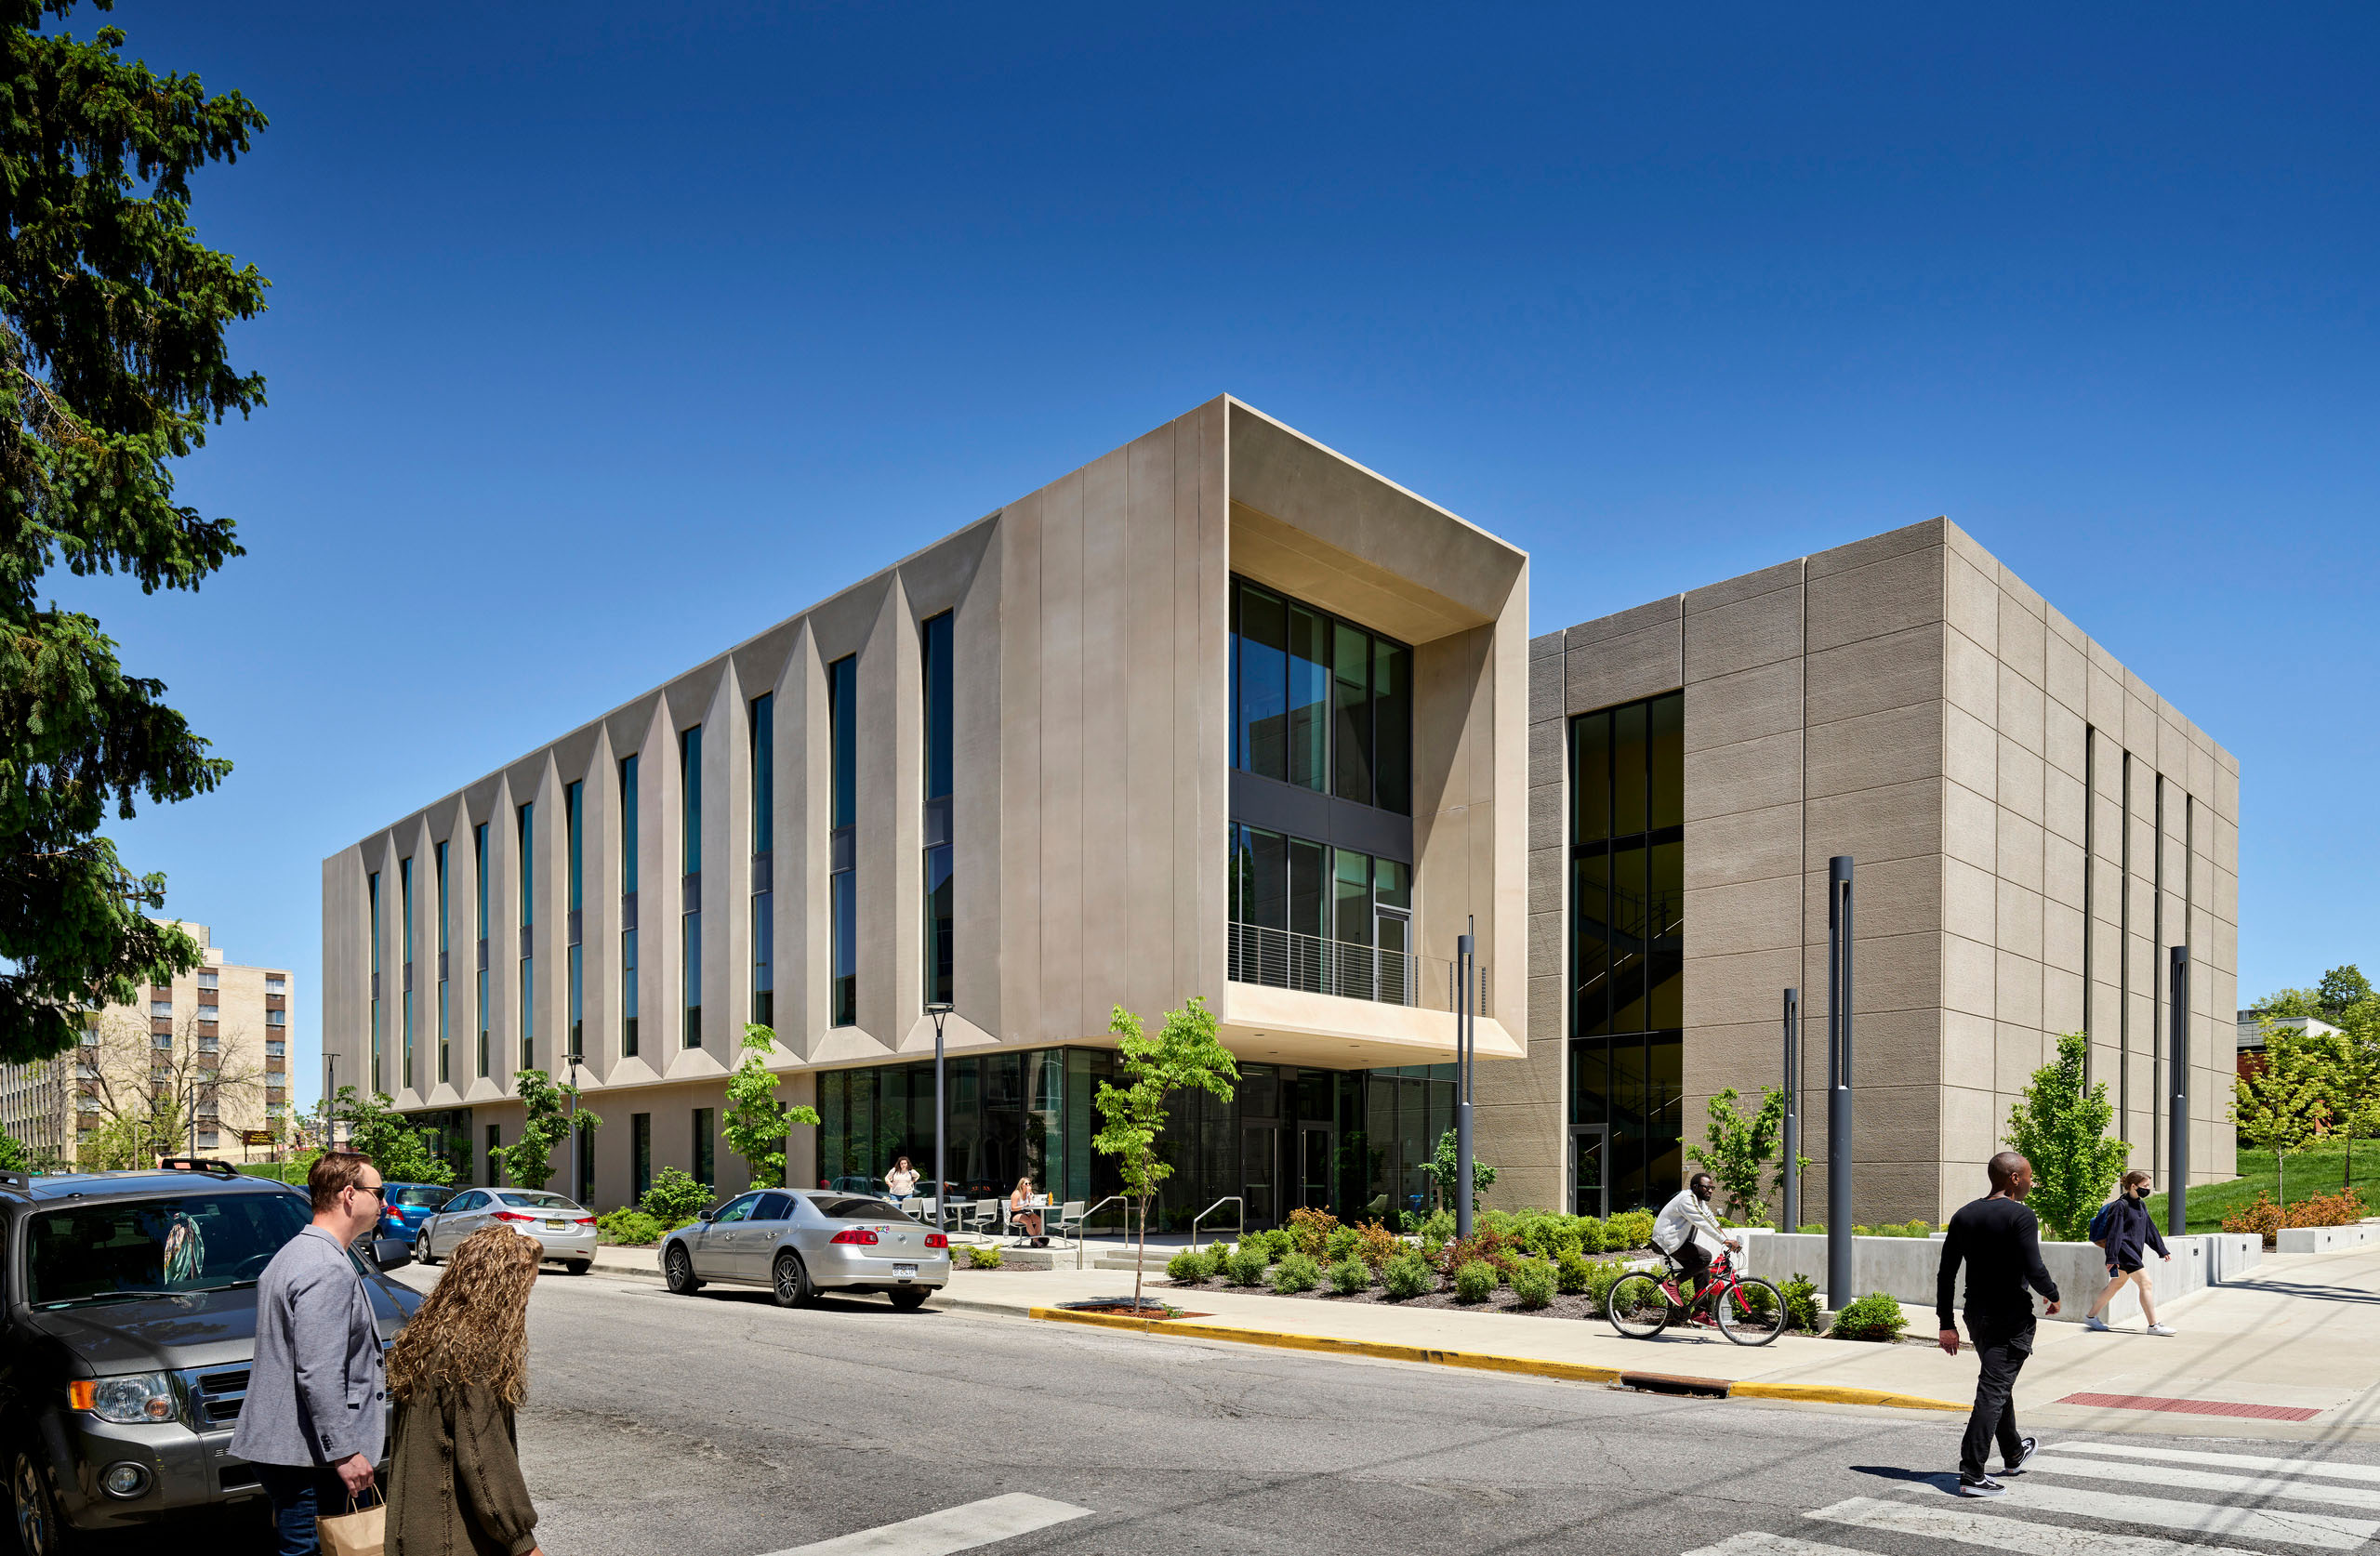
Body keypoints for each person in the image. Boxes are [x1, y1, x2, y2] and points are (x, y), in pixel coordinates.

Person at [231, 1152, 391, 1556]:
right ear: (350, 1195)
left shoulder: (294, 1253)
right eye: (379, 1192)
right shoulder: (325, 1267)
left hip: (289, 1448)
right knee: (309, 1549)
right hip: (308, 1457)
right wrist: (345, 1451)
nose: (384, 1203)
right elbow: (318, 1373)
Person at [386, 1225, 547, 1556]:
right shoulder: (472, 1351)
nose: (526, 1299)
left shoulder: (426, 1333)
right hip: (450, 1538)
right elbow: (483, 1457)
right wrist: (523, 1543)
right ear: (502, 1288)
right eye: (524, 1288)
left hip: (409, 1531)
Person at [1936, 1151, 2060, 1498]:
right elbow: (2034, 1267)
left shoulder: (1964, 1215)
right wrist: (2053, 1294)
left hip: (1976, 1315)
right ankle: (1972, 1473)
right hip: (2010, 1318)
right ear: (2014, 1178)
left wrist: (1946, 1322)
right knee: (1993, 1389)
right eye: (2030, 1176)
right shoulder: (2020, 1215)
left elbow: (1946, 1274)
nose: (2032, 1182)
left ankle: (2014, 1452)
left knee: (1996, 1380)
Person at [2082, 1168, 2175, 1335]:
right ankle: (2154, 1325)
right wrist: (2111, 1257)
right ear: (2133, 1186)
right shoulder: (2120, 1205)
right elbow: (2114, 1233)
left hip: (2134, 1250)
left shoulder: (2140, 1204)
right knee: (2145, 1282)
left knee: (2115, 1284)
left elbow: (2149, 1229)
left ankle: (2090, 1317)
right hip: (2124, 1251)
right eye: (2145, 1185)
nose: (2148, 1188)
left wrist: (2161, 1250)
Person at [1651, 1171, 1739, 1316]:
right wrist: (1724, 1241)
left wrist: (1728, 1239)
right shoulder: (1686, 1199)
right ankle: (1672, 1285)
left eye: (1712, 1188)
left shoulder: (1699, 1202)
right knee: (1705, 1257)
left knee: (1703, 1270)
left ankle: (1700, 1313)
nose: (1710, 1190)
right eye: (1706, 1187)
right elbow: (1702, 1222)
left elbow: (1711, 1220)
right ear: (1695, 1186)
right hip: (1666, 1241)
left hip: (1677, 1242)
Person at [1009, 1175, 1045, 1246]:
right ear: (1021, 1185)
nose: (1028, 1185)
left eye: (1029, 1183)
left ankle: (1035, 1240)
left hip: (1025, 1212)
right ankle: (1036, 1241)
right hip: (1015, 1213)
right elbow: (1013, 1208)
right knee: (1028, 1221)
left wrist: (1030, 1195)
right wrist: (1023, 1205)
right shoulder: (1016, 1193)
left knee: (1039, 1220)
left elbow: (1033, 1202)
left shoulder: (1029, 1193)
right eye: (1026, 1184)